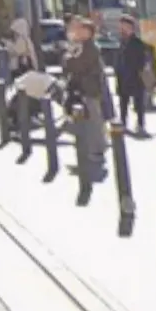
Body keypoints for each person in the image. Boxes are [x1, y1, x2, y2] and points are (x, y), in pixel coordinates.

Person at [62, 15, 109, 185]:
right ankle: (93, 147)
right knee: (89, 118)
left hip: (90, 88)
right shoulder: (82, 46)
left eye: (81, 30)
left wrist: (68, 59)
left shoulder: (90, 48)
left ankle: (97, 149)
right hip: (84, 87)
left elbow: (77, 64)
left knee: (94, 118)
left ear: (89, 32)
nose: (78, 32)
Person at [112, 15, 156, 137]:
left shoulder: (137, 43)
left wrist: (140, 70)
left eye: (123, 26)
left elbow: (143, 59)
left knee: (138, 103)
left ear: (130, 27)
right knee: (123, 102)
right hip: (123, 77)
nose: (121, 29)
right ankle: (123, 122)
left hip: (136, 77)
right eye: (120, 26)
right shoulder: (121, 42)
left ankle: (141, 124)